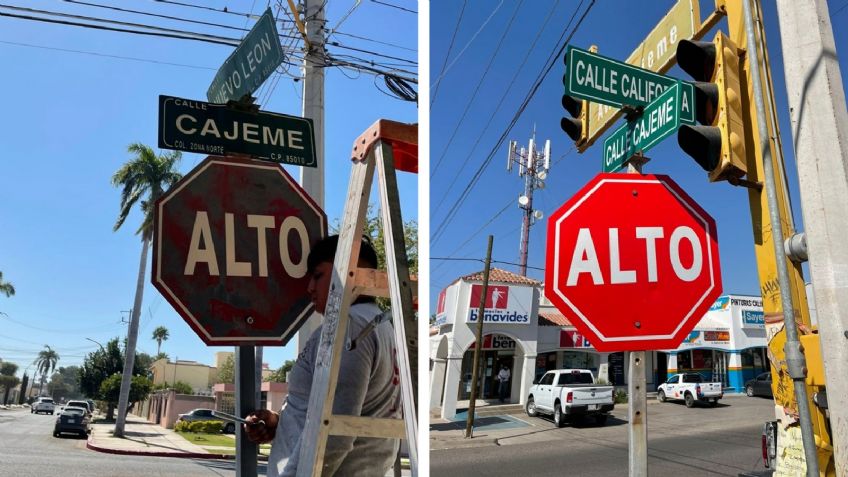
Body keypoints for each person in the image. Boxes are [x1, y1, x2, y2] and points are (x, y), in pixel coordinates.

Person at [243, 235, 401, 477]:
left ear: (351, 270)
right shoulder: (381, 325)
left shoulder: (350, 325)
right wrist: (280, 422)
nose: (309, 288)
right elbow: (323, 408)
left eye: (318, 276)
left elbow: (335, 432)